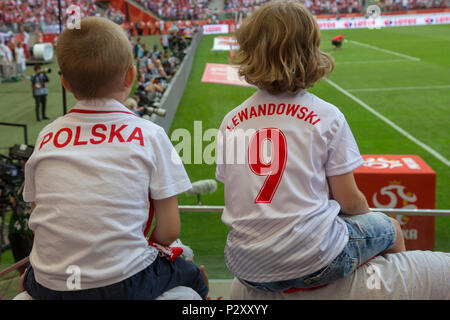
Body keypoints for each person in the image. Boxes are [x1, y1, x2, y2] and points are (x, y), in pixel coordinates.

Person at [215, 0, 405, 293]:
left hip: (245, 264)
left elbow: (238, 194)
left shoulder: (231, 121)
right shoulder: (326, 116)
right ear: (311, 51)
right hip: (315, 259)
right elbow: (349, 201)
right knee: (390, 228)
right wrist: (370, 217)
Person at [21, 16, 208, 300]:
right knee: (192, 274)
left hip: (50, 285)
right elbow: (169, 231)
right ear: (131, 76)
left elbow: (38, 214)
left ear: (65, 83)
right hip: (123, 284)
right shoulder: (151, 134)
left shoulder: (46, 136)